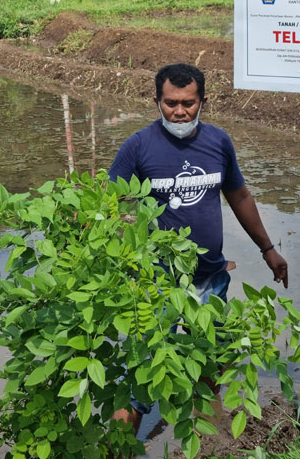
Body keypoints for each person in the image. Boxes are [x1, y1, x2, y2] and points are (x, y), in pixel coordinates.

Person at [107, 62, 289, 434]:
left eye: (188, 103)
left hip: (210, 277)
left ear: (203, 101)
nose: (179, 111)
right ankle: (119, 446)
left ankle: (208, 440)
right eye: (171, 102)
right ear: (156, 100)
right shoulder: (138, 147)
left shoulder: (218, 142)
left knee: (209, 365)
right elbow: (109, 206)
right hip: (155, 284)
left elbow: (239, 195)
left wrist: (268, 248)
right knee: (142, 375)